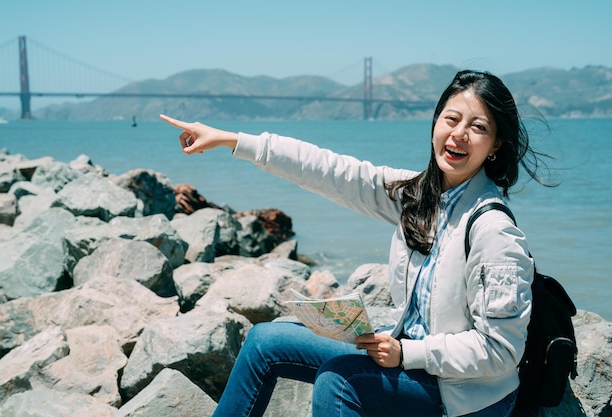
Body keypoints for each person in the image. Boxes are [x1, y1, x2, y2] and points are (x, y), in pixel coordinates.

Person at [160, 70, 547, 417]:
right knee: (265, 341)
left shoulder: (493, 230)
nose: (459, 134)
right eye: (452, 119)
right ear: (435, 124)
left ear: (495, 145)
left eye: (478, 127)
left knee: (338, 381)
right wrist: (232, 140)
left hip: (463, 396)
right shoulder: (417, 195)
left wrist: (408, 353)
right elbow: (331, 171)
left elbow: (502, 350)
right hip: (406, 357)